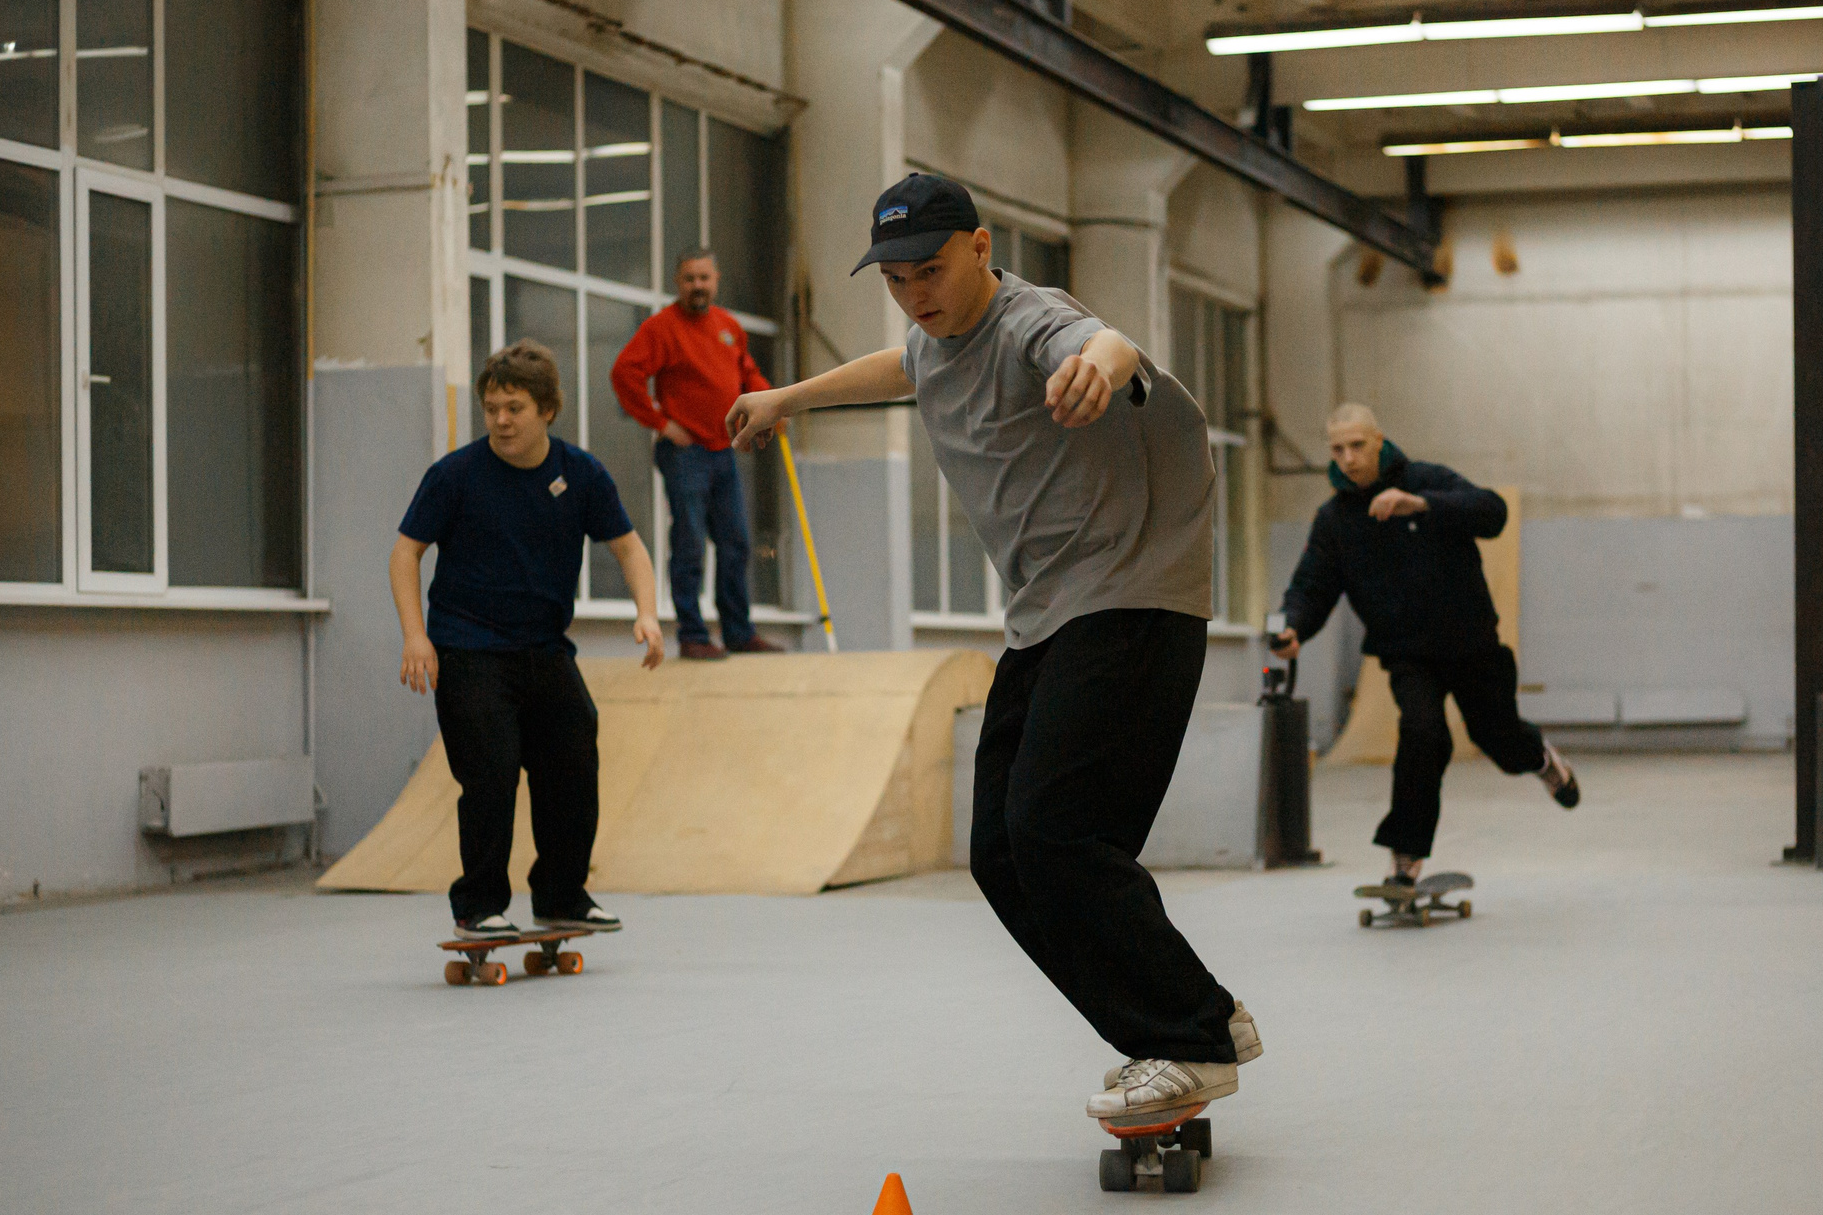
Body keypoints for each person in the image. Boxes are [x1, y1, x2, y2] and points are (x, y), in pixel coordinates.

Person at [723, 173, 1260, 1123]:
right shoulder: (935, 341)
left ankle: (1191, 1032)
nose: (916, 294)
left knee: (1058, 829)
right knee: (1000, 853)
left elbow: (1106, 339)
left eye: (931, 270)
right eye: (895, 280)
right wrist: (787, 397)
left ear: (979, 246)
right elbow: (902, 370)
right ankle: (1181, 1025)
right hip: (1051, 613)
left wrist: (1098, 360)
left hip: (1131, 596)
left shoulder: (1027, 320)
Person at [391, 340, 665, 937]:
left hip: (543, 648)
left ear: (547, 409)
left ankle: (562, 894)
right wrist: (416, 636)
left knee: (572, 755)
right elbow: (406, 552)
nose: (501, 420)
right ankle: (479, 905)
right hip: (468, 648)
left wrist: (647, 613)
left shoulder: (581, 473)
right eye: (491, 408)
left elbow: (630, 547)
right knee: (490, 772)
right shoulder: (456, 475)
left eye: (514, 407)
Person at [1273, 402, 1578, 891]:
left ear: (1378, 441)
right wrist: (1293, 628)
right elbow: (1311, 584)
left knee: (1497, 738)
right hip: (1407, 653)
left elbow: (1492, 513)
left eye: (1357, 446)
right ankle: (1405, 857)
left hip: (1472, 642)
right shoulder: (1335, 520)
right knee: (1422, 734)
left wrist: (1425, 505)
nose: (1348, 458)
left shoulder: (1427, 479)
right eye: (1337, 449)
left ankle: (1541, 759)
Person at [608, 248, 785, 660]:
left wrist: (775, 403)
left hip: (725, 449)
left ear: (716, 280)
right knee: (689, 542)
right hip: (684, 453)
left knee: (736, 542)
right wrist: (661, 423)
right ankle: (693, 636)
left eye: (704, 278)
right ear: (677, 282)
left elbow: (748, 375)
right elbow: (624, 374)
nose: (697, 286)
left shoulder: (728, 327)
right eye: (689, 278)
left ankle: (739, 632)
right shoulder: (661, 328)